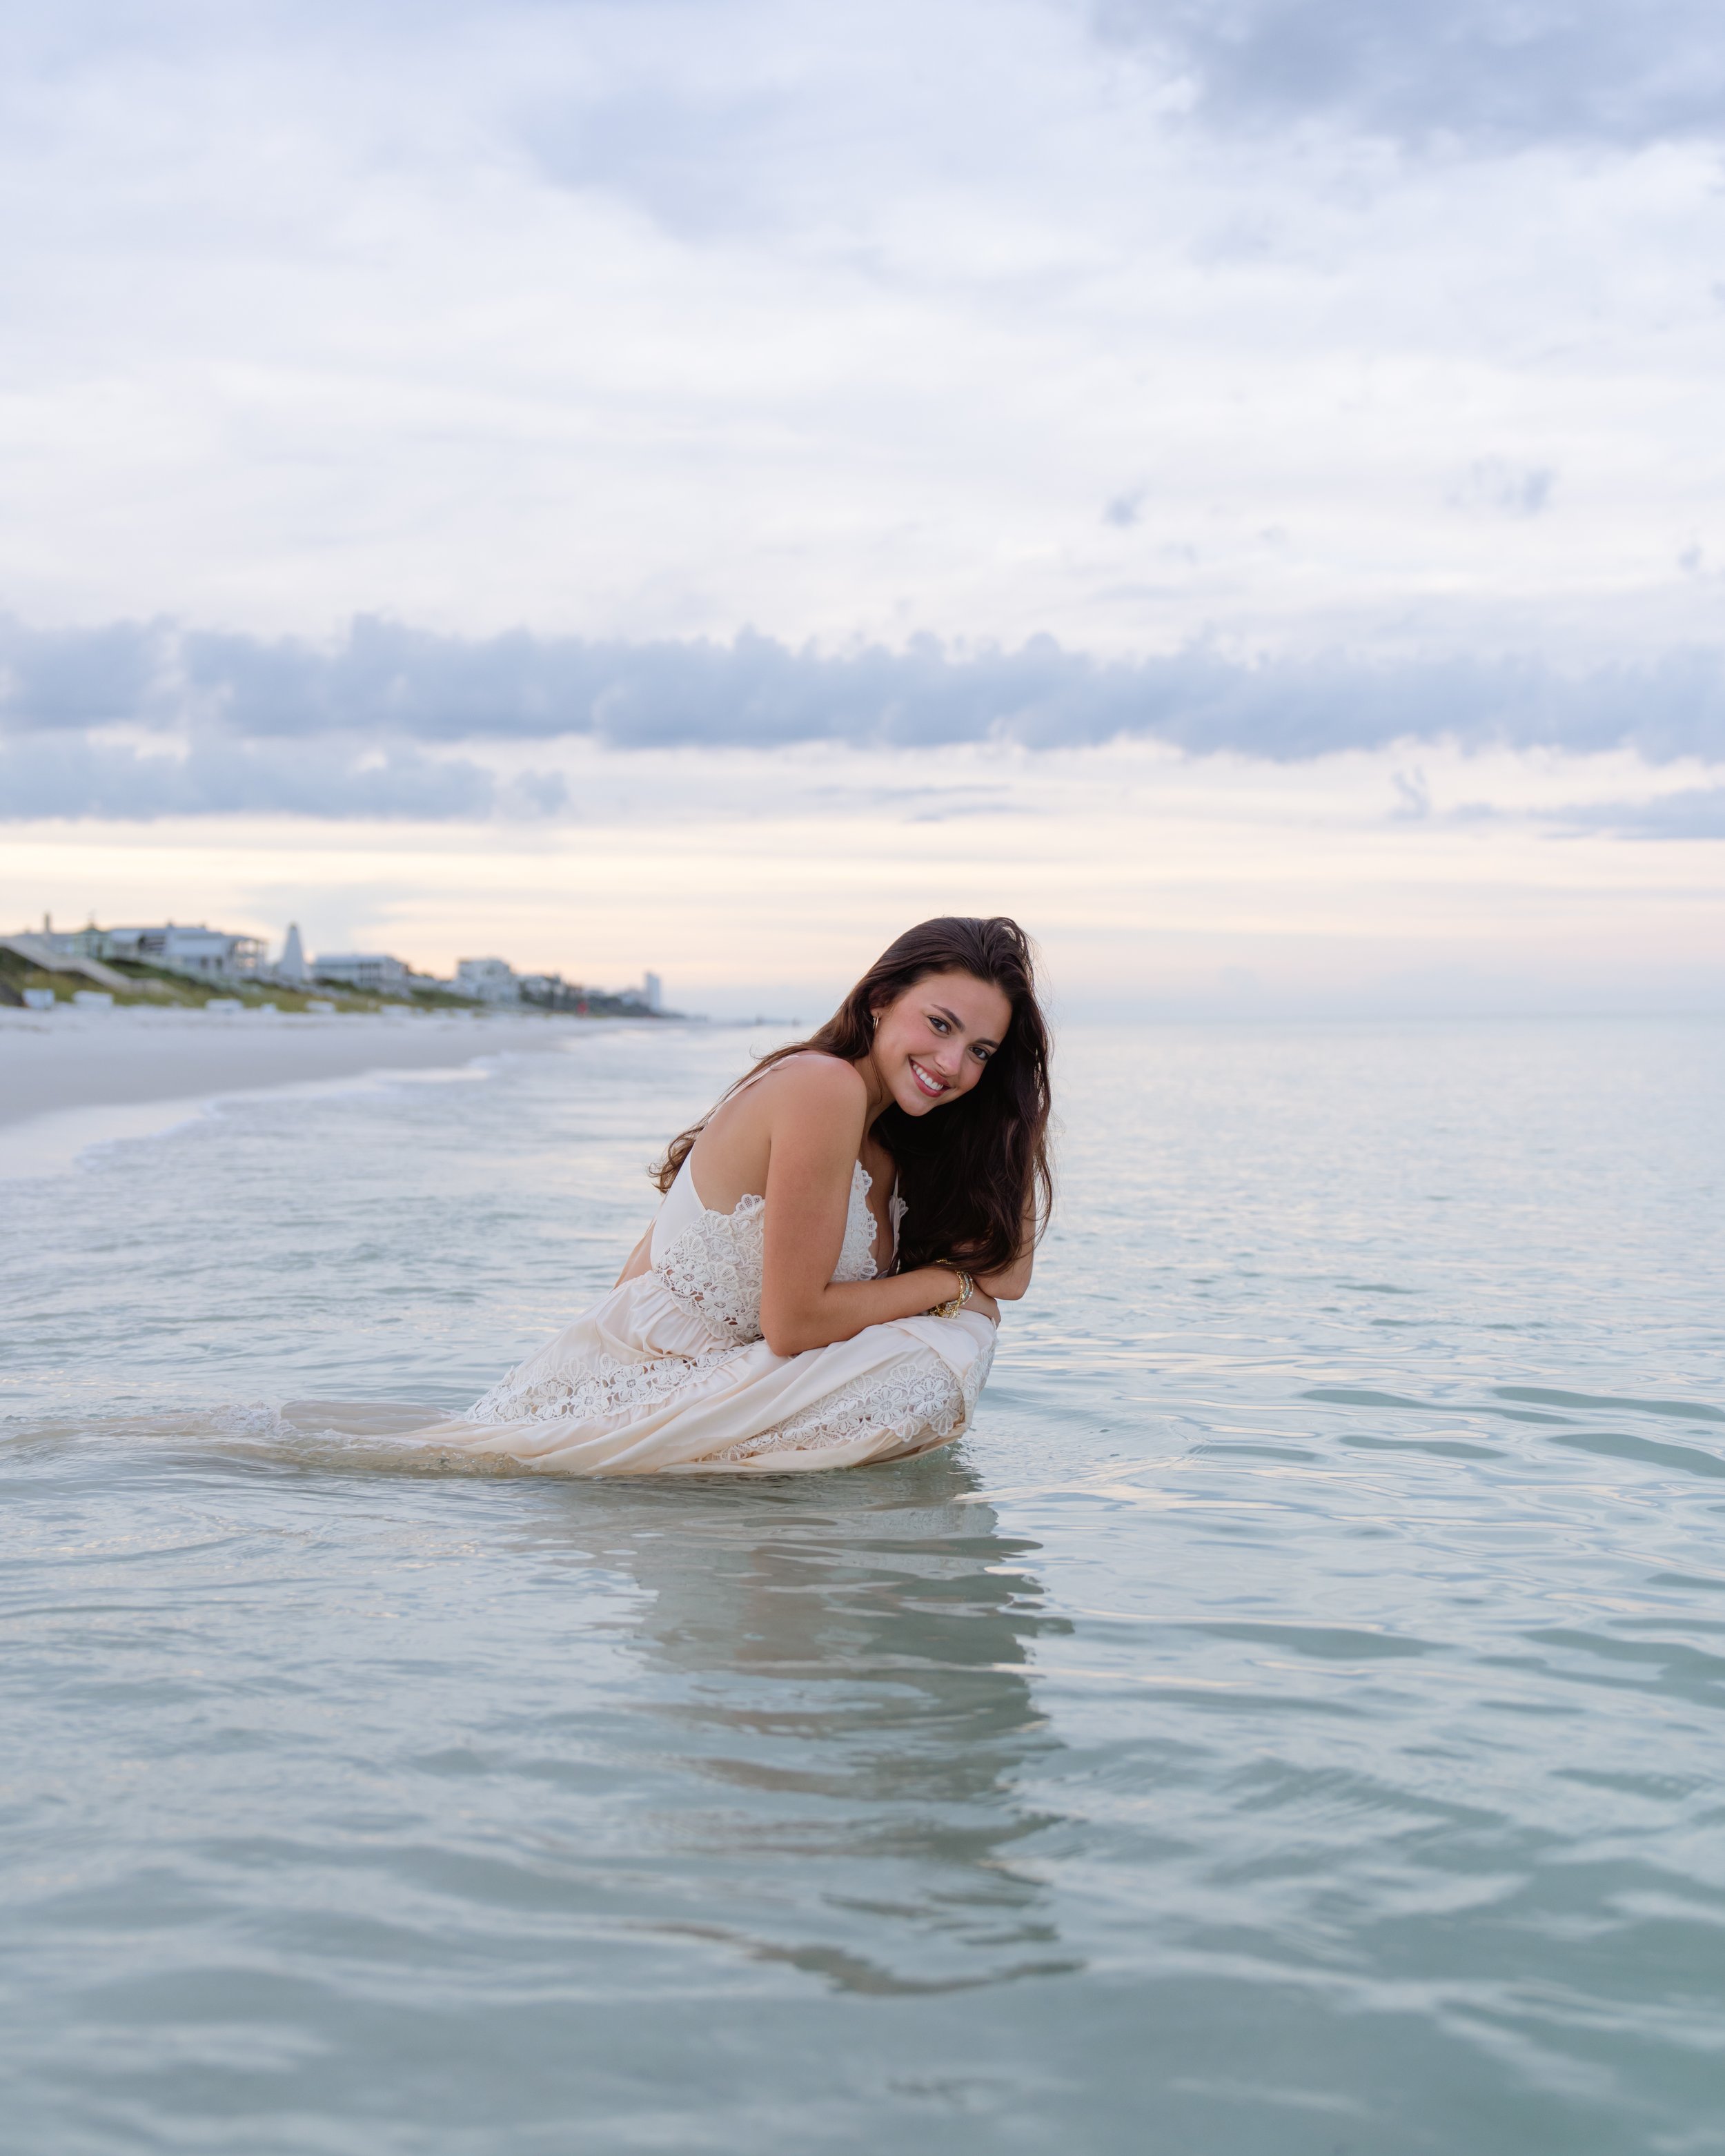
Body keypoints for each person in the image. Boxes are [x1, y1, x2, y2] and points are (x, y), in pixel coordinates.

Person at [418, 916, 1052, 1474]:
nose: (951, 1064)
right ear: (881, 998)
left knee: (958, 1337)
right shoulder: (822, 1086)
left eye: (980, 1052)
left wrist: (1016, 1114)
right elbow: (793, 1324)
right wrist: (950, 1287)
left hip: (711, 1389)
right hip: (642, 1393)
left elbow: (1010, 1277)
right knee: (944, 1345)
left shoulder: (888, 1142)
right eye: (939, 1024)